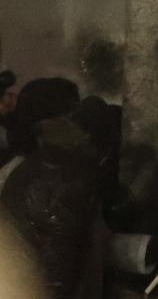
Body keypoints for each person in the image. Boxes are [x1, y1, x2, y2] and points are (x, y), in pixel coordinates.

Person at [1, 90, 114, 299]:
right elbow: (61, 251)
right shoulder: (73, 175)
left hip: (21, 273)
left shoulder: (31, 164)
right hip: (37, 280)